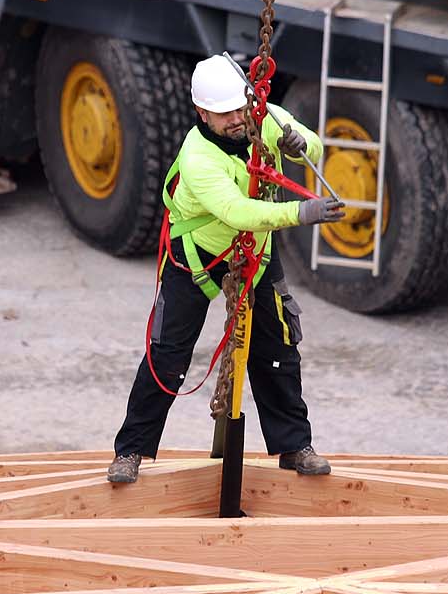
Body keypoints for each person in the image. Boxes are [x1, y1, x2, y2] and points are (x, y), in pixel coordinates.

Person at [106, 53, 347, 485]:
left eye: (240, 108)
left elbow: (315, 145)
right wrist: (302, 212)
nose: (237, 119)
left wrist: (299, 143)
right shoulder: (199, 157)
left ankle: (294, 446)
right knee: (167, 355)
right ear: (202, 114)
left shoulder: (262, 116)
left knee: (278, 352)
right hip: (199, 257)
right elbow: (236, 211)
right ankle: (131, 451)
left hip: (254, 256)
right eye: (225, 114)